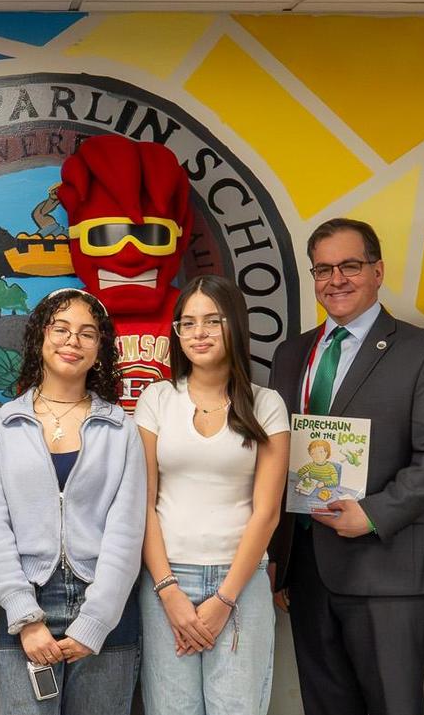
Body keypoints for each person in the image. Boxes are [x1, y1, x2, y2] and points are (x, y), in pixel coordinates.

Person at [268, 219, 424, 715]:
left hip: (387, 568)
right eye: (323, 269)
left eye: (350, 266)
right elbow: (276, 459)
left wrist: (374, 514)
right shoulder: (291, 354)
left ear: (378, 271)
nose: (336, 280)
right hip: (307, 570)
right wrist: (278, 554)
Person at [0, 288, 145, 715]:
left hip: (106, 608)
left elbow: (127, 532)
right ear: (40, 337)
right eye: (61, 329)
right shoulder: (0, 426)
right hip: (27, 603)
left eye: (87, 333)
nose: (73, 341)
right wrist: (24, 617)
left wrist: (96, 621)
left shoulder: (121, 429)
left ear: (100, 349)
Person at [134, 275, 290, 715]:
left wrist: (224, 599)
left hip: (240, 582)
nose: (198, 333)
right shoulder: (156, 399)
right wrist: (168, 591)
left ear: (235, 325)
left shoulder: (266, 404)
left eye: (212, 320)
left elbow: (267, 513)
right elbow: (143, 504)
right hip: (166, 581)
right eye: (188, 322)